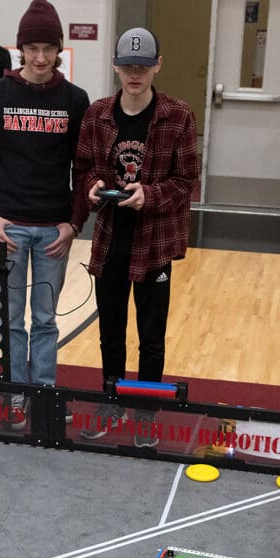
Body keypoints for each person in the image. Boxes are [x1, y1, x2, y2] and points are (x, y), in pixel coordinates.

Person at [0, 0, 90, 429]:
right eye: (32, 48)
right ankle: (18, 396)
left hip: (54, 230)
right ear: (20, 49)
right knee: (12, 322)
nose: (40, 58)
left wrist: (75, 223)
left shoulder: (76, 99)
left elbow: (85, 167)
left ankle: (45, 393)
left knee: (45, 321)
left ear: (59, 51)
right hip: (9, 229)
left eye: (47, 49)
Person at [75, 27, 200, 448]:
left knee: (151, 336)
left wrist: (149, 194)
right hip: (110, 239)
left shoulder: (178, 116)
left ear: (157, 67)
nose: (135, 74)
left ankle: (145, 413)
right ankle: (112, 402)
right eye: (128, 66)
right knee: (110, 331)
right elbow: (86, 166)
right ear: (115, 66)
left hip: (155, 243)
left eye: (143, 66)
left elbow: (187, 182)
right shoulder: (96, 115)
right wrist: (93, 186)